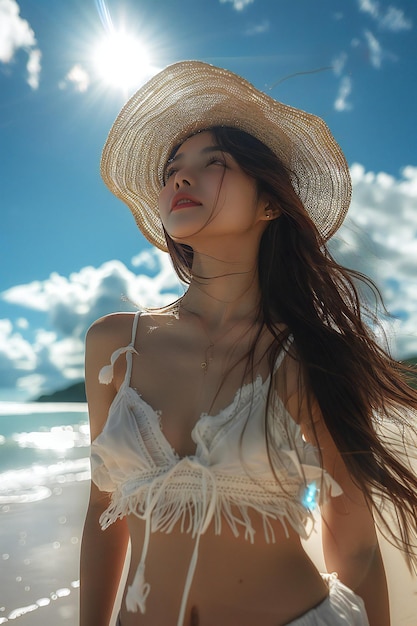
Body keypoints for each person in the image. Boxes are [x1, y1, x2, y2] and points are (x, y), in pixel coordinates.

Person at [79, 61, 417, 626]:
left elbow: (355, 550)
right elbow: (101, 511)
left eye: (216, 164)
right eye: (172, 169)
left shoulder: (310, 356)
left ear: (271, 202)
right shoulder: (115, 344)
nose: (181, 179)